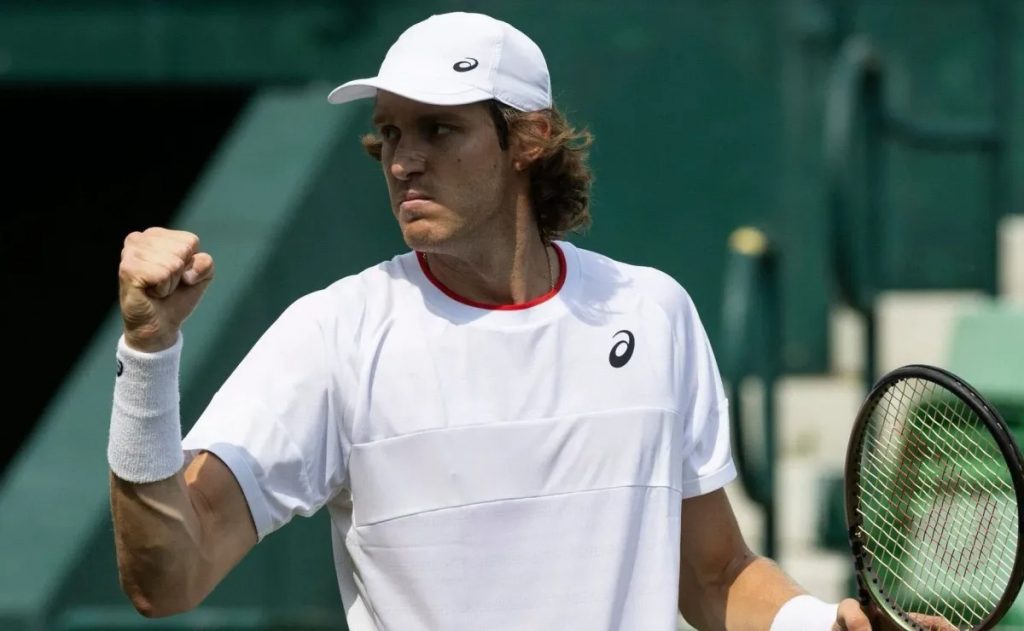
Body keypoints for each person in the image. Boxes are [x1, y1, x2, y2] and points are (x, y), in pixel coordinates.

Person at [109, 11, 876, 631]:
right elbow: (167, 578)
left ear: (529, 138)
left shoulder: (654, 313)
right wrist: (148, 351)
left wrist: (814, 622)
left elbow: (713, 573)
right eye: (391, 132)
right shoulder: (332, 335)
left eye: (438, 129)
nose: (403, 160)